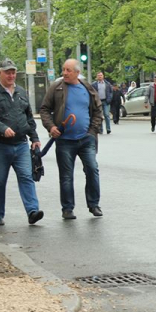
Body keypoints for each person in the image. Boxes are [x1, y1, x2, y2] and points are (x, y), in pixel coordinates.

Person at [40, 59, 104, 220]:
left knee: (92, 169)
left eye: (68, 70)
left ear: (77, 72)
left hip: (86, 139)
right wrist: (51, 127)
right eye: (63, 70)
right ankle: (67, 208)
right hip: (64, 140)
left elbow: (98, 110)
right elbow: (45, 109)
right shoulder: (57, 87)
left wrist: (92, 131)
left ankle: (94, 204)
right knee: (66, 176)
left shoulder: (87, 88)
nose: (64, 73)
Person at [0, 59, 44, 226]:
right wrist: (2, 128)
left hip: (21, 145)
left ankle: (32, 211)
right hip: (0, 146)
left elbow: (28, 118)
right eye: (7, 72)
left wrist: (35, 138)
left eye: (13, 72)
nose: (11, 75)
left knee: (26, 177)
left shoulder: (21, 92)